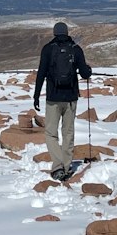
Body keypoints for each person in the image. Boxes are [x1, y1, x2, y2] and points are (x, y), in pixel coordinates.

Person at [33, 21, 92, 180]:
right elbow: (85, 74)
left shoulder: (48, 49)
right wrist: (89, 70)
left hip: (53, 98)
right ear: (67, 33)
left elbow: (41, 74)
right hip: (71, 98)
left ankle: (58, 165)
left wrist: (36, 95)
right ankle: (66, 167)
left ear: (54, 33)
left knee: (51, 134)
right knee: (68, 133)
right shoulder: (75, 49)